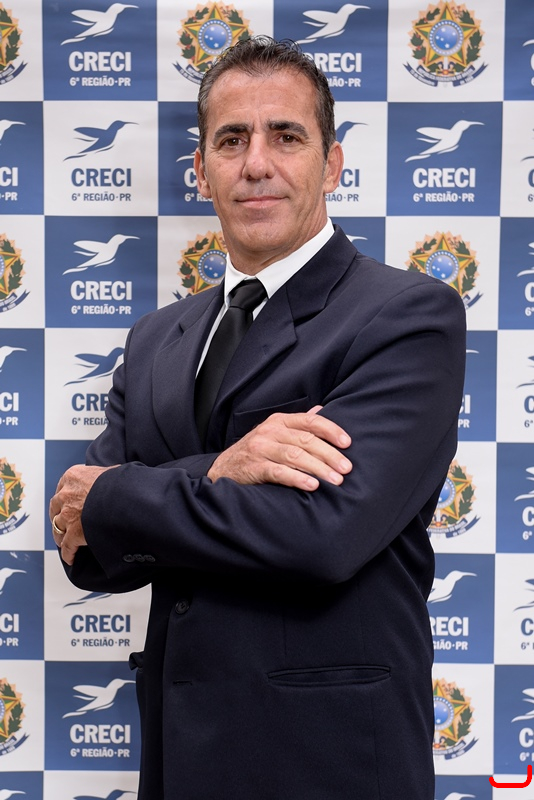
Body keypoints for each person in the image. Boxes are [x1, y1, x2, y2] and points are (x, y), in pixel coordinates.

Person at [50, 36, 466, 800]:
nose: (257, 163)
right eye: (232, 139)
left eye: (286, 136)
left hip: (330, 765)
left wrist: (128, 494)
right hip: (180, 762)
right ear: (201, 169)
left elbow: (324, 533)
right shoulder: (154, 340)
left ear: (331, 165)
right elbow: (88, 549)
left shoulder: (407, 316)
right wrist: (221, 472)